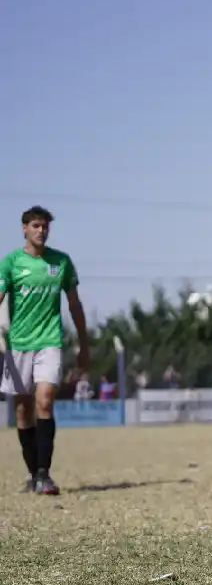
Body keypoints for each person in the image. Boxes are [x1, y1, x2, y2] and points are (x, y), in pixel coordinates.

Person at [0, 206, 89, 495]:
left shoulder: (61, 262)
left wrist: (84, 343)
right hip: (17, 345)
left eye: (45, 226)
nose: (41, 231)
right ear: (24, 228)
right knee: (23, 410)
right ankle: (33, 473)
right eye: (36, 226)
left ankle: (44, 474)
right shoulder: (11, 262)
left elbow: (74, 304)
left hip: (50, 342)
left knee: (45, 400)